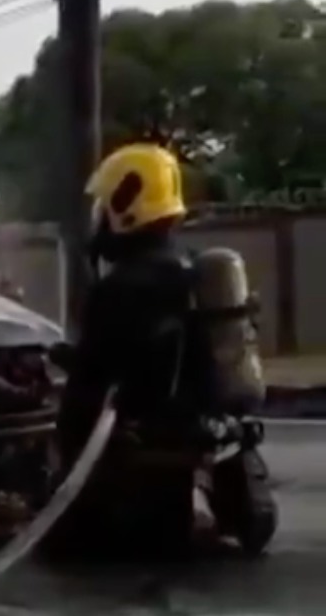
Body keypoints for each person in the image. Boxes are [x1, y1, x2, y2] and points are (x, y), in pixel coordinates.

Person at [51, 142, 274, 556]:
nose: (99, 216)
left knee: (60, 546)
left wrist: (62, 472)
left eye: (104, 203)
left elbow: (89, 386)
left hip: (147, 436)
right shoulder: (191, 266)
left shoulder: (120, 287)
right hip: (201, 419)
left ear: (126, 199)